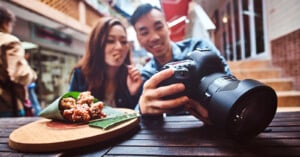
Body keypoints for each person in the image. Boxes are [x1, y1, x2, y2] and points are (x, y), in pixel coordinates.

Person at [130, 3, 231, 122]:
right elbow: (141, 110)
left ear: (168, 28)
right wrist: (143, 108)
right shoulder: (147, 75)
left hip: (216, 122)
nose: (154, 37)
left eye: (158, 27)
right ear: (138, 39)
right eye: (144, 32)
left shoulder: (199, 47)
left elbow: (229, 81)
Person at [69, 17, 142, 109]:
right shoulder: (80, 75)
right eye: (110, 41)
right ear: (96, 45)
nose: (119, 47)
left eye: (123, 42)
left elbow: (135, 117)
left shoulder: (132, 77)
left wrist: (133, 94)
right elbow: (69, 110)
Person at [0, 5, 37, 117]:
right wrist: (33, 75)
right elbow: (21, 75)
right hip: (7, 107)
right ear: (6, 22)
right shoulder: (9, 41)